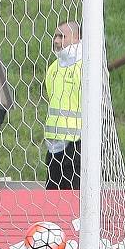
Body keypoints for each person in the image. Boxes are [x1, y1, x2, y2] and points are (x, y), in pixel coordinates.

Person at [43, 21, 82, 190]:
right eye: (55, 36)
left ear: (76, 38)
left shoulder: (86, 66)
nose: (57, 41)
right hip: (55, 144)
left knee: (75, 196)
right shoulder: (53, 68)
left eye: (62, 36)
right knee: (53, 195)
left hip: (78, 143)